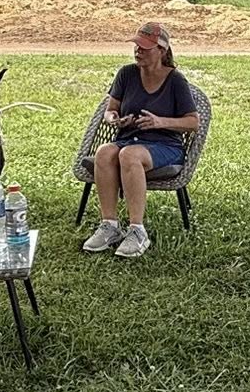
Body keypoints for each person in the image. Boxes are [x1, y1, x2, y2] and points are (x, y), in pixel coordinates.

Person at [81, 21, 200, 260]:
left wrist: (160, 122)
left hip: (165, 145)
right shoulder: (126, 74)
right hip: (129, 138)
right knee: (104, 152)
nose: (138, 51)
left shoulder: (176, 80)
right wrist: (114, 118)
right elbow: (110, 109)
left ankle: (137, 230)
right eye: (137, 46)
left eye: (145, 47)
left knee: (129, 155)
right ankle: (110, 226)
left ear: (162, 51)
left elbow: (193, 122)